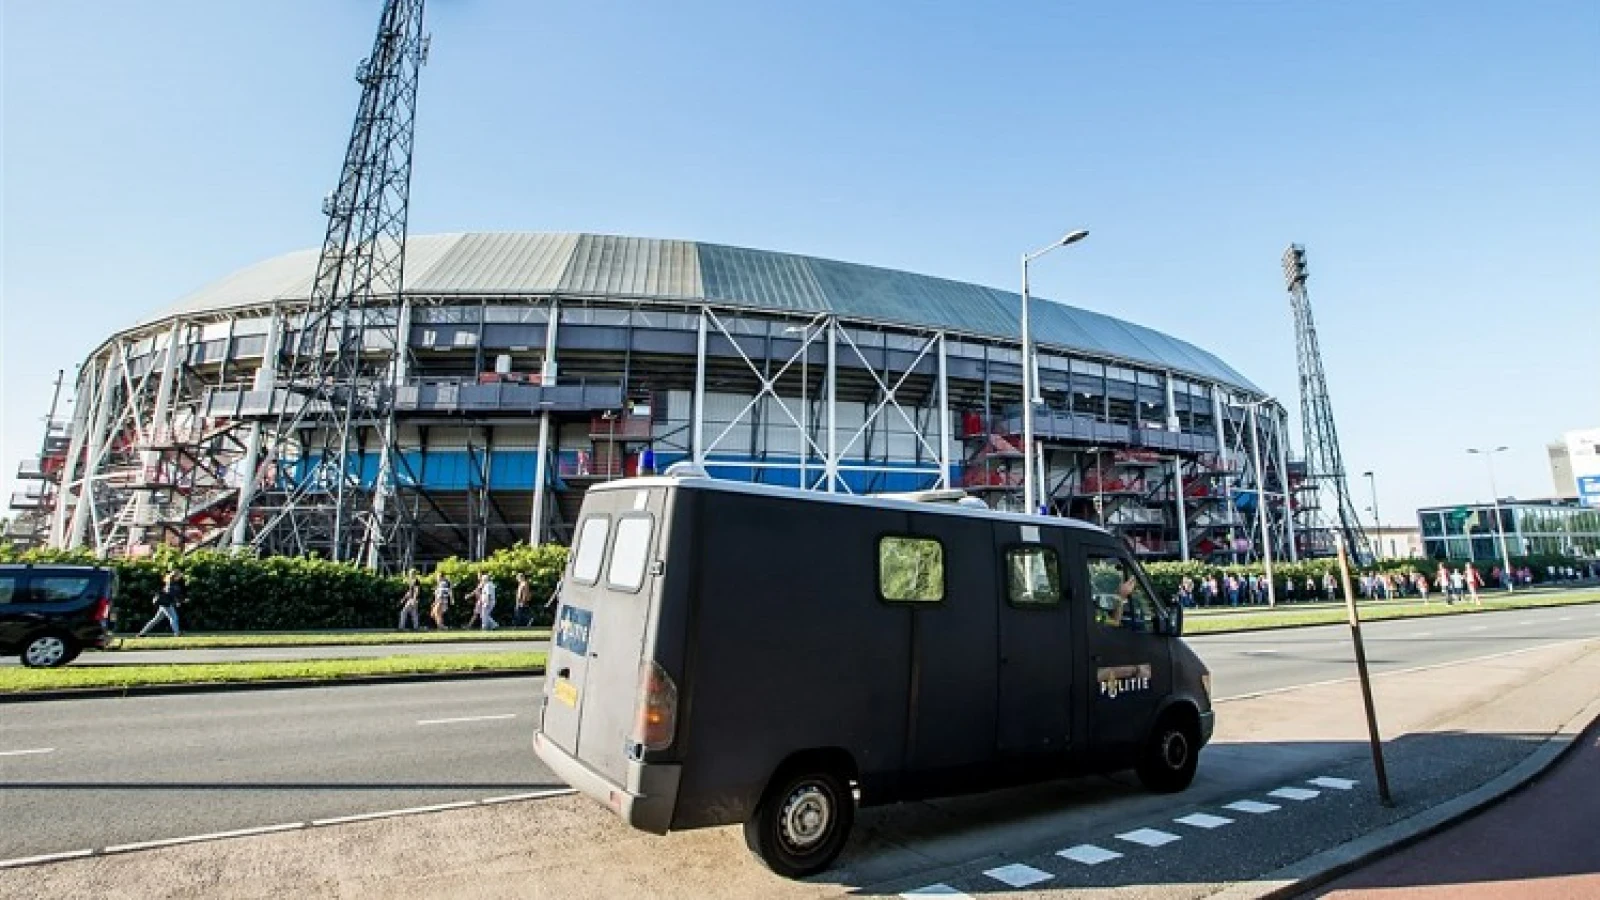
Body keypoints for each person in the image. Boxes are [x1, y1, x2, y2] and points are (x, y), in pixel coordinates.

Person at [137, 569, 186, 637]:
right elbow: (171, 594)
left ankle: (141, 633)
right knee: (174, 618)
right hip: (166, 604)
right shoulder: (171, 583)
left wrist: (178, 600)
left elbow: (172, 594)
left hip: (164, 604)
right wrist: (177, 601)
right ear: (175, 576)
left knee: (155, 620)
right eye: (179, 575)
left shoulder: (171, 582)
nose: (180, 577)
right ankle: (177, 633)